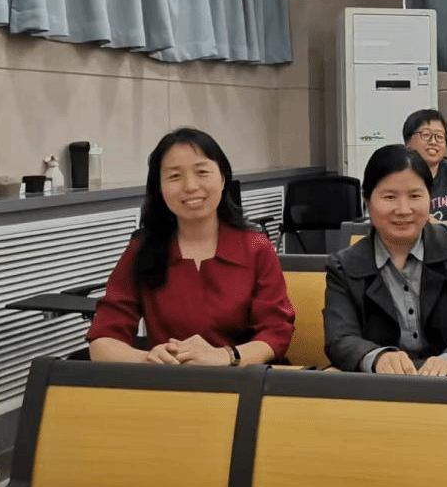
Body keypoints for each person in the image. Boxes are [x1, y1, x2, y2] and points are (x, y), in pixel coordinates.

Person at [87, 128, 295, 365]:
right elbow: (102, 342)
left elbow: (276, 332)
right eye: (175, 176)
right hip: (169, 380)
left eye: (202, 172)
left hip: (241, 377)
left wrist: (226, 356)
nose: (190, 186)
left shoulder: (256, 246)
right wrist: (147, 359)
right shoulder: (141, 249)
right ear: (159, 187)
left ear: (223, 178)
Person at [324, 145, 447, 376]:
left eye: (415, 196)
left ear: (429, 198)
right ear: (367, 201)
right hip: (383, 384)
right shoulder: (344, 266)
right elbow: (340, 337)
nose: (403, 210)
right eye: (390, 197)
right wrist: (376, 357)